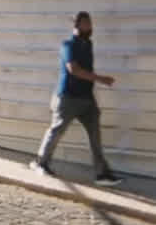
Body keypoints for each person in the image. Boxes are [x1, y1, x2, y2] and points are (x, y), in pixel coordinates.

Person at [30, 11, 122, 186]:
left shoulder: (88, 45)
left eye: (90, 23)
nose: (89, 26)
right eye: (85, 23)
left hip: (87, 99)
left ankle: (101, 174)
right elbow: (74, 70)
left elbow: (85, 70)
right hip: (68, 98)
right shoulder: (68, 45)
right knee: (56, 131)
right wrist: (100, 79)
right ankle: (40, 163)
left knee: (95, 135)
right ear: (76, 25)